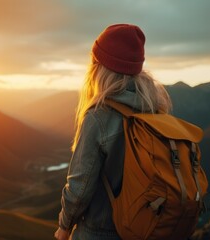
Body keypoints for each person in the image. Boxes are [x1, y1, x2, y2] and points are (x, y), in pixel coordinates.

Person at [54, 24, 172, 240]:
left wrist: (64, 226)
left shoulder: (98, 117)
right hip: (144, 228)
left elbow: (80, 188)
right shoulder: (155, 108)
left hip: (99, 231)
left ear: (99, 67)